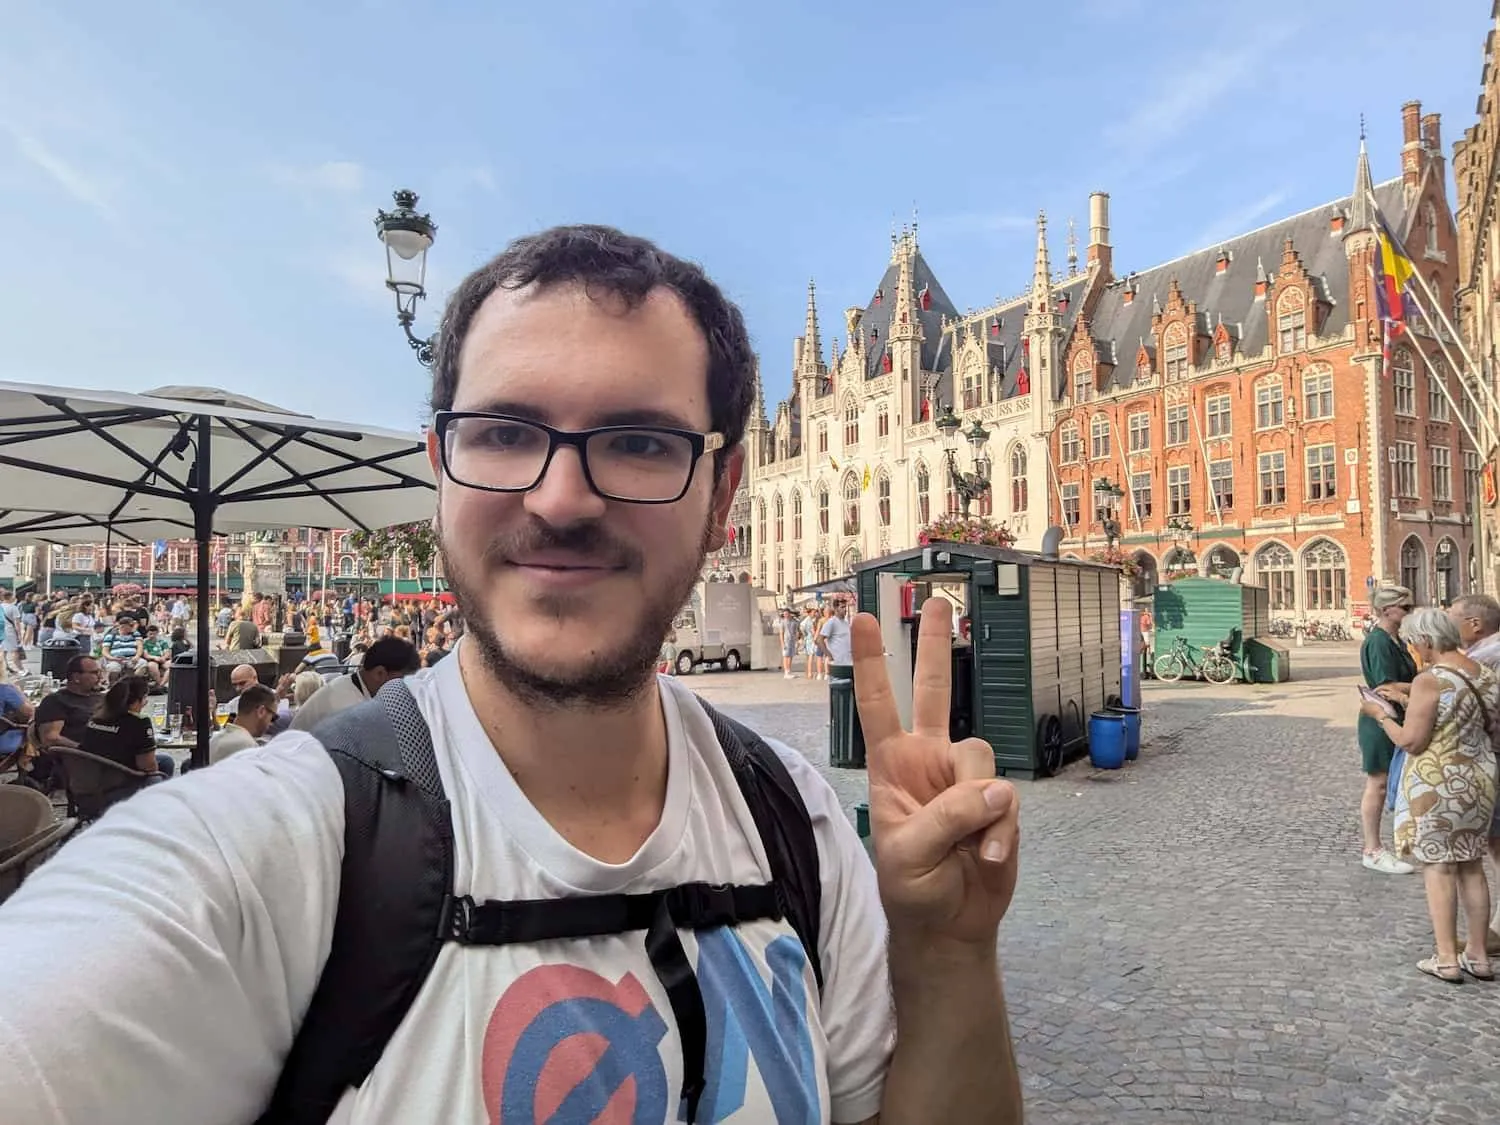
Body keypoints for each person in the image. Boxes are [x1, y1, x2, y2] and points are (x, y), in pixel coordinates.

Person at [0, 225, 1023, 1124]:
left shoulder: (791, 823)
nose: (564, 497)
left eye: (636, 441)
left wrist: (946, 957)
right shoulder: (264, 852)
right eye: (504, 434)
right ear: (439, 469)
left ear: (723, 492)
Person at [1362, 608, 1499, 982]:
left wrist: (1379, 714)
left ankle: (1446, 958)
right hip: (1480, 777)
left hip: (1438, 783)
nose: (1412, 648)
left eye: (1412, 641)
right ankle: (1478, 956)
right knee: (1472, 866)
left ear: (1425, 640)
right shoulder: (1483, 674)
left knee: (1439, 868)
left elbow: (1412, 740)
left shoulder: (1430, 680)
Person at [1447, 592, 1500, 955]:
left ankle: (1488, 939)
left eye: (1452, 617)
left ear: (1475, 624)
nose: (1447, 623)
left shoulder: (1484, 660)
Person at [1358, 586, 1418, 874]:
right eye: (1405, 607)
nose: (1410, 611)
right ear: (1386, 610)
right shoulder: (1379, 642)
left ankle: (1393, 844)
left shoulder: (1396, 640)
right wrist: (1423, 685)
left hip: (1394, 717)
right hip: (1381, 718)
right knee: (1378, 783)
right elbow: (1386, 686)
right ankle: (1372, 849)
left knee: (1390, 782)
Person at [287, 635, 420, 731]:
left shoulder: (350, 686)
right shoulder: (349, 707)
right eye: (404, 681)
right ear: (379, 673)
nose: (407, 689)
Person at [78, 675, 175, 780]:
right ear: (135, 702)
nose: (145, 703)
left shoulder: (96, 717)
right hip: (119, 781)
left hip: (88, 776)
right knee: (156, 777)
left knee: (165, 761)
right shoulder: (139, 722)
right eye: (144, 699)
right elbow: (148, 767)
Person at [209, 684, 279, 764]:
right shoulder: (248, 747)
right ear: (261, 711)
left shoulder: (214, 740)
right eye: (273, 717)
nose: (272, 724)